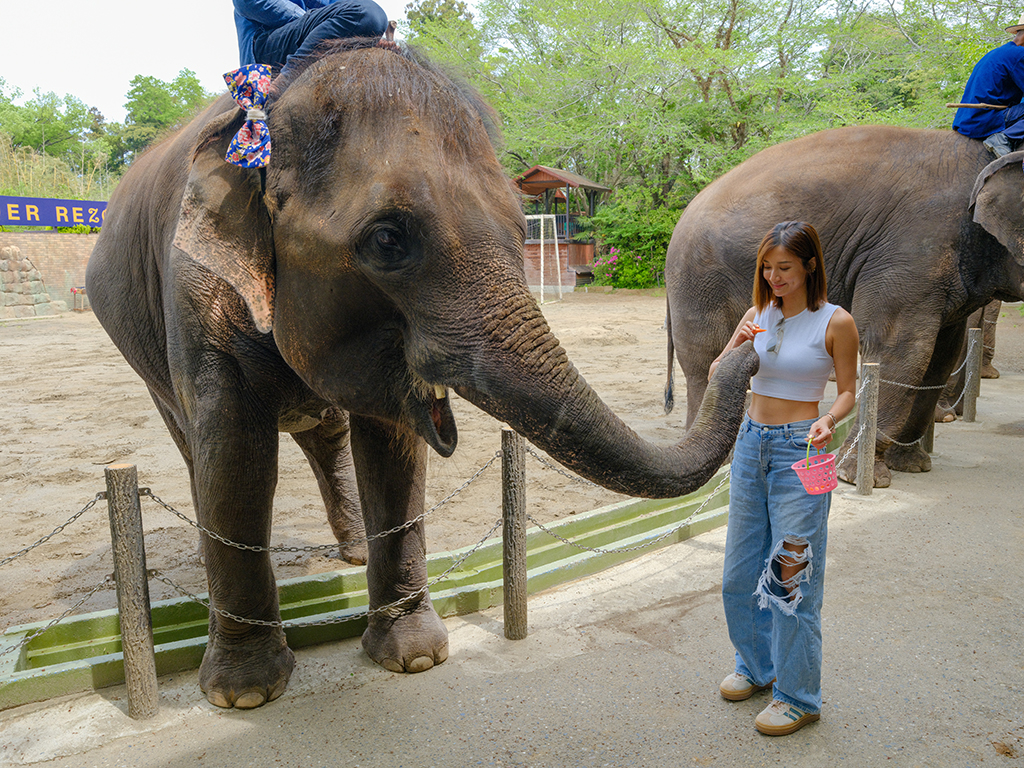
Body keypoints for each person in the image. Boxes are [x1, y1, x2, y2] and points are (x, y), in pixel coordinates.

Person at [707, 221, 859, 736]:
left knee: (790, 577)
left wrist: (829, 419)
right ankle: (757, 666)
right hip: (751, 444)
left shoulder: (836, 322)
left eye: (785, 268)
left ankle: (799, 696)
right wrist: (736, 341)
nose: (774, 277)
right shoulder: (758, 314)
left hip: (803, 448)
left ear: (810, 265)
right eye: (767, 268)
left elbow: (847, 391)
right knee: (738, 570)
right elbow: (719, 373)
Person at [233, 0, 389, 72]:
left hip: (310, 36)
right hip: (268, 46)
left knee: (369, 19)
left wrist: (368, 38)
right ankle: (287, 77)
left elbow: (342, 11)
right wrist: (314, 21)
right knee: (368, 12)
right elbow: (247, 2)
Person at [953, 14, 1024, 156]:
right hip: (985, 119)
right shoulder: (1020, 54)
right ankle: (1004, 138)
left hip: (968, 119)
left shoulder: (999, 52)